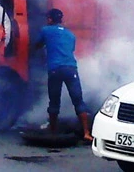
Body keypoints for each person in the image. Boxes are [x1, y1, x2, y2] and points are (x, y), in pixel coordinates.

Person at [35, 8, 93, 143]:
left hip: (55, 69)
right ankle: (86, 133)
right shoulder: (71, 35)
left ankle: (53, 131)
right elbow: (70, 50)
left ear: (49, 19)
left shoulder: (46, 30)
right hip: (71, 69)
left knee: (54, 101)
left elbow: (37, 45)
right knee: (78, 100)